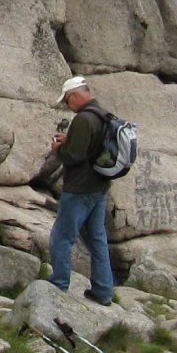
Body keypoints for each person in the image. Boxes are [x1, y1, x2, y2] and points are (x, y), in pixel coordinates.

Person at [46, 75, 117, 305]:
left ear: (75, 95)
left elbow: (75, 156)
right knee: (97, 239)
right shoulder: (102, 114)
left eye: (67, 101)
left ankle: (58, 285)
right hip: (99, 187)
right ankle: (104, 291)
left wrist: (58, 149)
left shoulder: (83, 119)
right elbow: (92, 145)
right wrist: (71, 138)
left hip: (79, 189)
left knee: (61, 237)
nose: (68, 105)